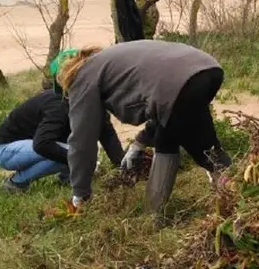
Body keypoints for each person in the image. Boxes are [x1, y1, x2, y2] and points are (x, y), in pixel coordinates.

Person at [49, 39, 230, 217]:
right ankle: (156, 211)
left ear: (64, 77)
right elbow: (162, 106)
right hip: (206, 69)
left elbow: (82, 141)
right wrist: (139, 142)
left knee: (204, 152)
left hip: (178, 84)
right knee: (171, 136)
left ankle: (233, 199)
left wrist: (80, 194)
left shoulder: (82, 77)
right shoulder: (106, 61)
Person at [0, 87, 124, 192]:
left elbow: (107, 135)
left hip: (33, 145)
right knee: (75, 153)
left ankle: (67, 177)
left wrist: (123, 167)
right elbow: (42, 145)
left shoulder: (93, 102)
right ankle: (16, 183)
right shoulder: (58, 105)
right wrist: (83, 162)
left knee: (77, 151)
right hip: (3, 149)